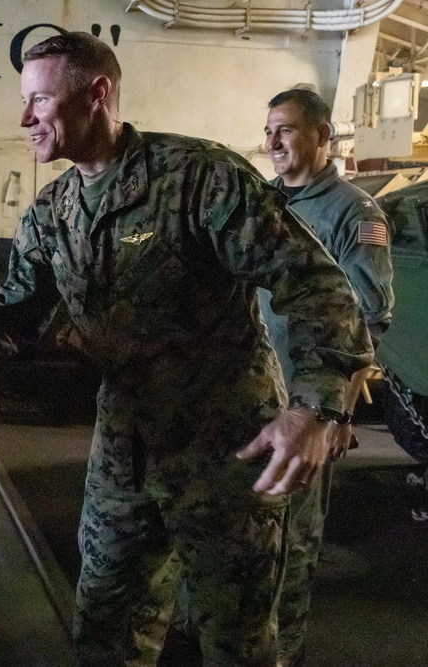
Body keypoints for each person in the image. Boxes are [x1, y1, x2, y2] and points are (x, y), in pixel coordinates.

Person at [0, 33, 373, 667]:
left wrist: (313, 408)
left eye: (39, 100)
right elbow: (15, 311)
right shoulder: (52, 212)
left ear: (98, 94)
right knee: (105, 632)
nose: (24, 118)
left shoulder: (200, 178)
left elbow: (317, 285)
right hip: (124, 453)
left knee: (236, 641)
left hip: (227, 453)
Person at [261, 88, 394, 667]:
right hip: (249, 392)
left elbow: (369, 313)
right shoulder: (259, 204)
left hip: (307, 401)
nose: (273, 142)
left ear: (322, 136)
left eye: (286, 130)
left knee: (293, 533)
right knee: (236, 524)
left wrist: (337, 411)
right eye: (268, 131)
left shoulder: (353, 214)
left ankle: (282, 649)